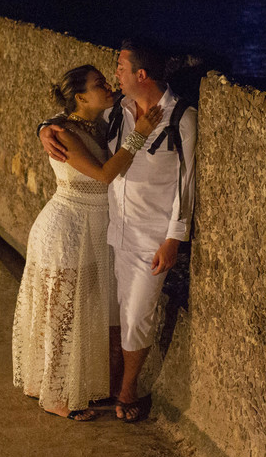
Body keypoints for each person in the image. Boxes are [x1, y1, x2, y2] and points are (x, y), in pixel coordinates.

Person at [39, 41, 197, 423]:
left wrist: (173, 239)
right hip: (110, 230)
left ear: (141, 74)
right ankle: (91, 387)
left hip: (150, 235)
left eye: (121, 69)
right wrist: (43, 127)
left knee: (137, 315)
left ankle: (126, 390)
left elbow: (186, 183)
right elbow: (71, 120)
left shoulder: (181, 117)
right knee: (104, 314)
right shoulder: (119, 111)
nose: (114, 78)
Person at [12, 65, 162, 421]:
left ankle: (72, 385)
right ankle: (55, 396)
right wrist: (139, 135)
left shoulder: (97, 120)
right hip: (66, 229)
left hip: (95, 229)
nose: (108, 86)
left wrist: (41, 126)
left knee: (88, 312)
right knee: (62, 315)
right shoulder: (64, 132)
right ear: (81, 97)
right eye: (99, 85)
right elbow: (105, 174)